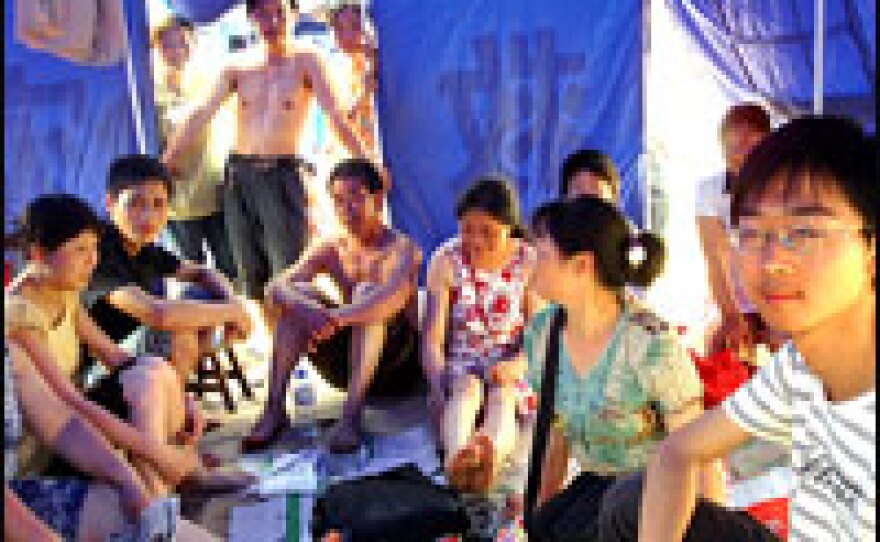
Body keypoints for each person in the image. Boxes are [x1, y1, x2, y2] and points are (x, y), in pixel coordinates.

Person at [602, 116, 876, 541]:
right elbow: (679, 452)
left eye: (803, 231)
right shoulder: (799, 365)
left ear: (870, 247)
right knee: (630, 501)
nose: (772, 260)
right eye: (752, 233)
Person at [5, 193, 251, 497]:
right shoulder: (19, 313)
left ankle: (177, 478)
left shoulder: (61, 290)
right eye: (80, 250)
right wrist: (162, 456)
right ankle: (158, 490)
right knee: (145, 379)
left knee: (151, 368)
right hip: (53, 446)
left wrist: (184, 399)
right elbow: (67, 403)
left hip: (79, 422)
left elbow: (115, 356)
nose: (92, 260)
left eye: (94, 248)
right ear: (39, 253)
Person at [521, 196, 721, 540]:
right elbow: (555, 433)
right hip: (596, 489)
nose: (529, 265)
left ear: (582, 265)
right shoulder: (542, 334)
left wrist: (704, 530)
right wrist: (542, 512)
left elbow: (697, 456)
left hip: (655, 499)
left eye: (540, 255)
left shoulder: (651, 344)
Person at [161, 0, 371, 304]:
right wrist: (167, 162)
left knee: (290, 272)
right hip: (238, 177)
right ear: (250, 19)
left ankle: (295, 344)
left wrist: (368, 164)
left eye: (279, 13)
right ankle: (273, 344)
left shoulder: (309, 60)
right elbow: (201, 113)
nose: (272, 22)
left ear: (293, 14)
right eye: (262, 15)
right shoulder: (237, 65)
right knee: (250, 275)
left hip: (282, 174)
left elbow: (336, 117)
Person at [243, 158, 424, 453]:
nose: (346, 209)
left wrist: (334, 318)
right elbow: (274, 287)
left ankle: (350, 417)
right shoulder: (331, 246)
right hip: (348, 362)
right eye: (338, 200)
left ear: (377, 198)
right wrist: (308, 310)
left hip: (396, 365)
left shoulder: (402, 249)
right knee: (298, 295)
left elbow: (389, 300)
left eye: (356, 197)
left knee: (366, 294)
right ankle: (274, 408)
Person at [4, 341, 216, 542]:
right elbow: (70, 399)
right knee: (146, 383)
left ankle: (164, 499)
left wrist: (128, 480)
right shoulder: (22, 317)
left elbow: (61, 423)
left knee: (134, 514)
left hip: (17, 494)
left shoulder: (11, 352)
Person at [83, 154, 252, 382]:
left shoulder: (142, 247)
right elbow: (158, 315)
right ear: (110, 204)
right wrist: (234, 312)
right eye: (135, 203)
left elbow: (203, 272)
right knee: (176, 327)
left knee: (205, 295)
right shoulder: (95, 251)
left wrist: (232, 302)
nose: (148, 217)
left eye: (158, 204)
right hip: (98, 367)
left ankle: (175, 400)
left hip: (135, 362)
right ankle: (174, 408)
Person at [422, 175, 540, 494]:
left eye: (487, 231)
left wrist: (515, 366)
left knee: (503, 396)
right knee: (467, 390)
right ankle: (458, 458)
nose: (474, 240)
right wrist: (436, 388)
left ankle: (490, 457)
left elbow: (538, 335)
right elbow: (432, 339)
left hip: (509, 364)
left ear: (509, 227)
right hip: (463, 362)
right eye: (466, 230)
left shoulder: (528, 260)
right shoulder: (445, 260)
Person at [152, 16, 237, 283]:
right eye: (168, 44)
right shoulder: (149, 90)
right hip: (177, 199)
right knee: (189, 271)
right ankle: (199, 322)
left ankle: (231, 320)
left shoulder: (211, 80)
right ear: (156, 47)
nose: (177, 51)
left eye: (183, 43)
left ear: (195, 44)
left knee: (229, 268)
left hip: (215, 190)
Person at [696, 103, 778, 359]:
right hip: (733, 299)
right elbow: (714, 255)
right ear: (721, 149)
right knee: (721, 352)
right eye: (734, 147)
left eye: (752, 147)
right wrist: (731, 316)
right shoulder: (709, 190)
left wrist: (775, 318)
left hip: (778, 295)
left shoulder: (785, 189)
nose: (743, 156)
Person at [326, 1, 379, 154]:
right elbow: (340, 120)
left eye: (355, 26)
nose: (347, 36)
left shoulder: (381, 60)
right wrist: (364, 93)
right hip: (354, 156)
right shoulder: (332, 67)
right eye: (339, 29)